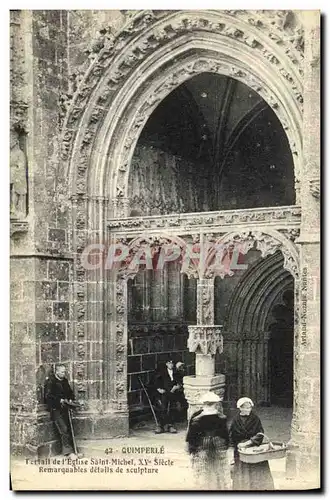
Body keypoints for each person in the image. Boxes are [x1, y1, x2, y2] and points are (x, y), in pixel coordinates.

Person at [185, 391, 231, 490]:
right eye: (207, 403)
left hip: (217, 446)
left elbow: (224, 432)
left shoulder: (220, 416)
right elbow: (192, 434)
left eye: (212, 403)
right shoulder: (196, 416)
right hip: (202, 446)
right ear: (204, 403)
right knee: (203, 470)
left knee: (218, 470)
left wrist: (225, 445)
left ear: (215, 404)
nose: (210, 405)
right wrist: (192, 448)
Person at [229, 397, 274, 491]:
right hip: (241, 449)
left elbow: (260, 434)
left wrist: (249, 442)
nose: (248, 410)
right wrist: (236, 446)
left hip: (253, 447)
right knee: (242, 470)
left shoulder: (255, 419)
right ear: (240, 408)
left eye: (249, 407)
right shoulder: (235, 420)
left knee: (256, 470)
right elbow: (231, 436)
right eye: (245, 408)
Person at [44, 364, 80, 459]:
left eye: (65, 371)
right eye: (62, 372)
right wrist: (59, 400)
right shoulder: (51, 382)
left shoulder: (64, 380)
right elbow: (48, 397)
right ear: (57, 372)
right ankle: (68, 453)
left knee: (69, 428)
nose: (64, 373)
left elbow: (70, 392)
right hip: (55, 409)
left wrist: (70, 399)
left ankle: (74, 451)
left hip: (65, 408)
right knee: (63, 429)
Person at [151, 359, 182, 434]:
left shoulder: (176, 372)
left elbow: (179, 382)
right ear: (166, 364)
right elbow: (155, 382)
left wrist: (177, 387)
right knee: (163, 406)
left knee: (172, 407)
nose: (170, 365)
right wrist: (158, 389)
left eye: (172, 363)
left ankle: (170, 425)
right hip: (164, 392)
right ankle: (160, 425)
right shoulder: (162, 372)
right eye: (169, 363)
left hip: (173, 392)